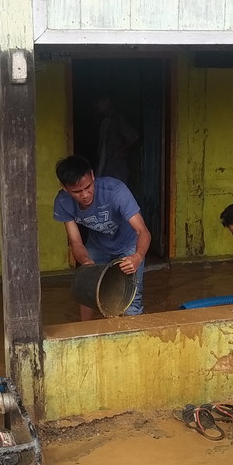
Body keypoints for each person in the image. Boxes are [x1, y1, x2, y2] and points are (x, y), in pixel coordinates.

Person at [54, 154, 151, 320]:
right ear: (64, 187)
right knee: (87, 287)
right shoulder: (63, 202)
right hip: (97, 244)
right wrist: (86, 262)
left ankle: (133, 333)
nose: (84, 195)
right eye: (77, 191)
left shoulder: (115, 191)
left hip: (129, 243)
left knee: (133, 295)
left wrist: (137, 256)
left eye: (88, 187)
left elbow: (143, 231)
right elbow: (75, 242)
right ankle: (86, 333)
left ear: (92, 176)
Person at [94, 96, 139, 184]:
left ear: (107, 101)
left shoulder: (118, 119)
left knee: (117, 192)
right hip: (105, 164)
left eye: (98, 102)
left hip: (116, 166)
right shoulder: (104, 120)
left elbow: (133, 137)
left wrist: (119, 152)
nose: (96, 105)